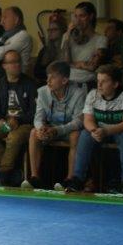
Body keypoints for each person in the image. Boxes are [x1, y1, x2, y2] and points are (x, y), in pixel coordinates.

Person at [57, 64, 123, 193]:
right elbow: (87, 119)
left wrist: (107, 131)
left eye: (104, 81)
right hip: (99, 131)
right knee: (85, 134)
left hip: (119, 131)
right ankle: (77, 179)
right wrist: (94, 131)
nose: (99, 85)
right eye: (98, 81)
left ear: (115, 84)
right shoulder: (93, 94)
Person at [23, 61, 84, 190]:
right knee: (34, 133)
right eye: (47, 77)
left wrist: (58, 130)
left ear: (64, 80)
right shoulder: (42, 92)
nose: (48, 81)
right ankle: (35, 178)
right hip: (50, 130)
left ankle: (70, 179)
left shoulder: (78, 93)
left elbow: (78, 122)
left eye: (53, 77)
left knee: (76, 135)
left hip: (67, 130)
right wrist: (41, 128)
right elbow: (38, 117)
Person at [0, 49, 36, 186]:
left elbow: (35, 111)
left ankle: (5, 174)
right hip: (5, 122)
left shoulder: (30, 84)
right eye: (12, 62)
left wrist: (19, 120)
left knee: (13, 137)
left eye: (18, 61)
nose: (17, 65)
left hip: (24, 124)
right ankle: (15, 169)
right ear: (4, 66)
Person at [60, 1, 106, 88]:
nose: (78, 20)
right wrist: (68, 36)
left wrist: (71, 63)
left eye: (82, 16)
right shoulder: (67, 36)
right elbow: (64, 63)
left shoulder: (100, 39)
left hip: (87, 83)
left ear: (91, 17)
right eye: (76, 16)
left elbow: (92, 66)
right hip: (68, 82)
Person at [0, 5, 32, 70]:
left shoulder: (23, 36)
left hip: (17, 75)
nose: (1, 22)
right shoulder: (5, 35)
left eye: (5, 18)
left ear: (16, 20)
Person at [33, 13, 67, 83]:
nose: (50, 32)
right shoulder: (44, 50)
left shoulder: (66, 49)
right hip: (45, 83)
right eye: (49, 30)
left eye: (54, 29)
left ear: (62, 31)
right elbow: (36, 72)